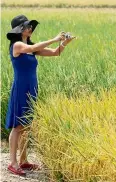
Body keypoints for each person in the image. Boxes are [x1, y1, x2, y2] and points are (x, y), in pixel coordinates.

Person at [5, 14, 75, 176]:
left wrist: (64, 42)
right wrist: (54, 37)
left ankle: (24, 161)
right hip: (21, 89)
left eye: (31, 26)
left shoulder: (32, 48)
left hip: (32, 89)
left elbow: (55, 53)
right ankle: (13, 163)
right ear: (20, 29)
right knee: (18, 126)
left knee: (27, 126)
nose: (31, 29)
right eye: (28, 26)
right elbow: (29, 49)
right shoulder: (17, 46)